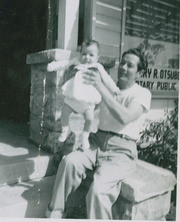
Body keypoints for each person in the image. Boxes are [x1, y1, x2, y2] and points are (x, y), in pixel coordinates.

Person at [45, 48, 151, 219]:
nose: (123, 67)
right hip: (97, 141)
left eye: (130, 65)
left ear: (139, 73)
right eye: (122, 62)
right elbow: (84, 103)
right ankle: (54, 212)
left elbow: (124, 116)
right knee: (69, 162)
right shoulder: (108, 86)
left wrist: (101, 87)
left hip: (121, 152)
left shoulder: (142, 94)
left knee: (98, 190)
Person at [47, 39, 119, 149]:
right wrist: (53, 66)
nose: (87, 57)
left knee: (90, 118)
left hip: (87, 101)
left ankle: (85, 136)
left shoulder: (98, 67)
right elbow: (65, 64)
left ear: (97, 57)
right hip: (73, 97)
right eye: (84, 54)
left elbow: (107, 79)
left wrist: (114, 89)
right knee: (64, 113)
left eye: (91, 55)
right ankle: (65, 130)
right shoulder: (76, 61)